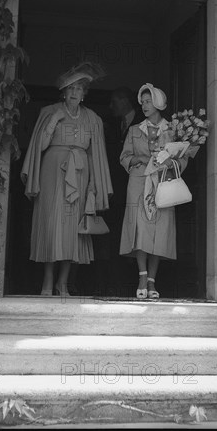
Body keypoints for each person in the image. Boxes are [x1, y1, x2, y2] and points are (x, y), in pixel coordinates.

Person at [21, 62, 113, 296]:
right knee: (51, 225)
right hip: (53, 172)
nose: (74, 92)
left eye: (79, 89)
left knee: (72, 229)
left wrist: (94, 184)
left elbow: (95, 154)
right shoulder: (49, 112)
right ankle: (47, 282)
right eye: (70, 88)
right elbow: (39, 147)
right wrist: (55, 121)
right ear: (63, 92)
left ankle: (63, 283)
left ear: (84, 94)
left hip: (81, 174)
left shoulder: (93, 118)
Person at [119, 83, 190, 299]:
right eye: (142, 102)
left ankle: (152, 281)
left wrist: (171, 162)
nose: (144, 106)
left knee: (160, 230)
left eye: (148, 102)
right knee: (140, 229)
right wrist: (137, 158)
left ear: (158, 103)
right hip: (138, 184)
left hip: (163, 184)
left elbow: (184, 158)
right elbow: (123, 158)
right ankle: (142, 275)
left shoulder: (173, 130)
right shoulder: (134, 130)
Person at [92, 87, 144, 296]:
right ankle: (113, 283)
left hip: (138, 189)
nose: (111, 106)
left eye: (114, 101)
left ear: (125, 101)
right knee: (114, 238)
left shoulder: (142, 121)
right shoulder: (111, 125)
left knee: (137, 236)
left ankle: (134, 283)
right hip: (114, 191)